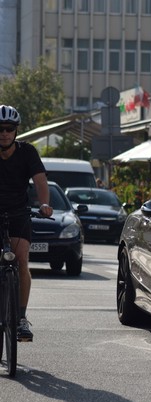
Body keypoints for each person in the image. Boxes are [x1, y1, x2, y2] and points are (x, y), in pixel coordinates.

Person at [0, 105, 53, 342]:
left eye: (9, 129)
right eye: (0, 129)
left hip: (19, 212)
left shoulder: (27, 152)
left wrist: (44, 204)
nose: (4, 133)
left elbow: (41, 182)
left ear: (16, 131)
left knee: (21, 259)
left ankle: (20, 317)